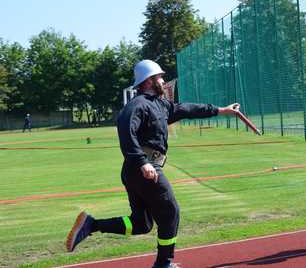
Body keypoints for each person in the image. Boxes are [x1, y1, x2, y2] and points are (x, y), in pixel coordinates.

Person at [66, 60, 240, 268]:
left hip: (137, 170)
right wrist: (143, 162)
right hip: (143, 167)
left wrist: (221, 110)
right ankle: (164, 263)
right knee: (170, 212)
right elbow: (125, 130)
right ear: (149, 80)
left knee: (142, 224)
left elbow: (186, 109)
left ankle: (91, 225)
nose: (164, 81)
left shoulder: (160, 105)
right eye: (160, 77)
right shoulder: (137, 105)